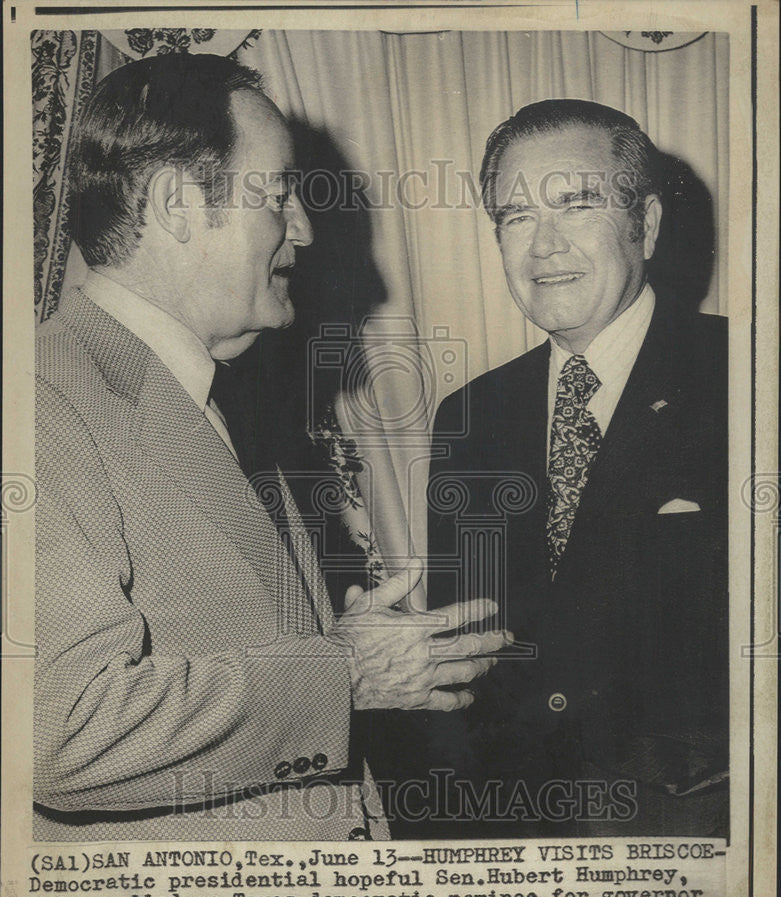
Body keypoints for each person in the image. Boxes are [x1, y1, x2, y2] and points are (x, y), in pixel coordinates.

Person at [34, 54, 510, 842]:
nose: (303, 228)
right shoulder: (41, 396)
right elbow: (61, 728)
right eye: (279, 192)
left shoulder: (215, 388)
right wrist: (345, 671)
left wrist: (334, 645)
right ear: (176, 204)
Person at [387, 99, 728, 838]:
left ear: (647, 222)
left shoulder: (746, 377)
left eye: (575, 204)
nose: (543, 247)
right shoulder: (469, 414)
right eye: (514, 216)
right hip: (515, 834)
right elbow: (464, 658)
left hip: (698, 830)